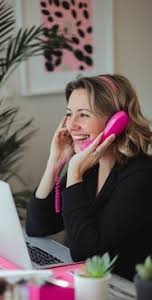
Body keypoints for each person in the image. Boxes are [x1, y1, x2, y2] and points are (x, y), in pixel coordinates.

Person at [26, 74, 152, 280]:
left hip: (122, 290)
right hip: (90, 284)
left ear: (116, 121)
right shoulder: (89, 166)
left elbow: (86, 254)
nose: (71, 125)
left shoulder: (141, 176)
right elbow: (37, 226)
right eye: (69, 114)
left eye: (83, 115)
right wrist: (54, 163)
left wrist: (75, 173)